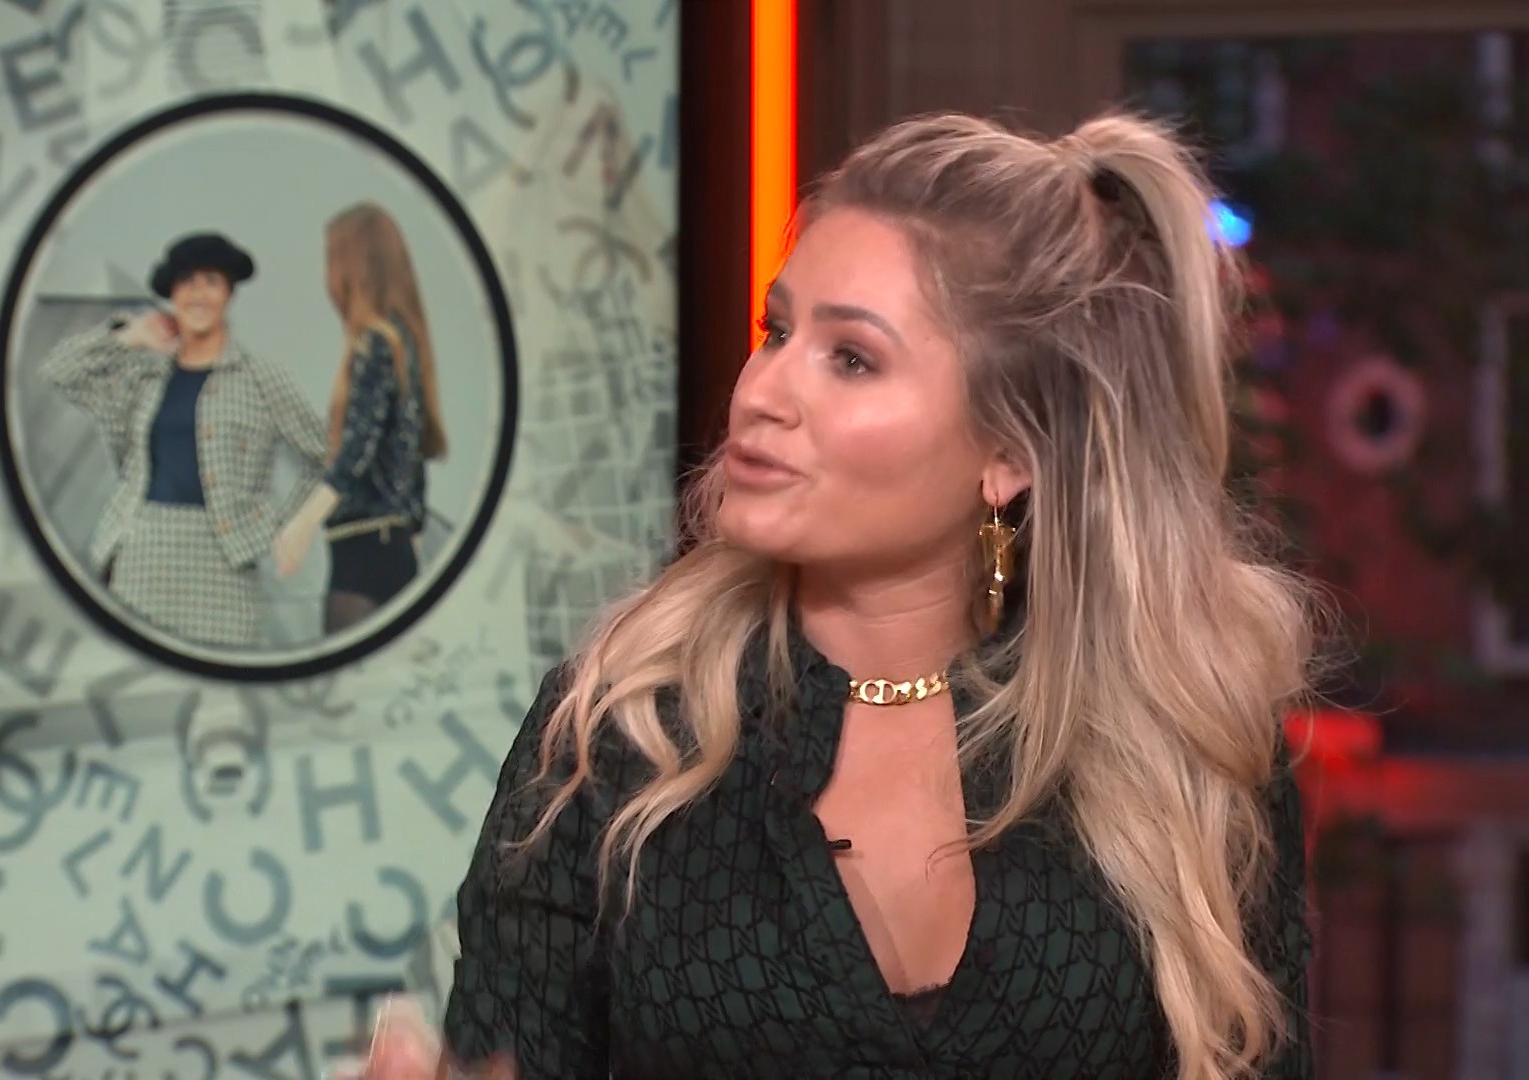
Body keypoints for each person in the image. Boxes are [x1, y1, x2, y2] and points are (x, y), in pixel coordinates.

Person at [367, 111, 1318, 1079]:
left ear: (1009, 454)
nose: (760, 393)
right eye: (776, 332)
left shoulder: (1179, 753)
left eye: (852, 359)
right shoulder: (619, 732)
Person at [40, 231, 328, 648]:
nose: (198, 294)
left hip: (223, 561)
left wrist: (288, 525)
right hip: (142, 550)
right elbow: (58, 371)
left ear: (229, 294)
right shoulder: (144, 376)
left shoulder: (261, 378)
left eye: (211, 281)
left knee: (222, 681)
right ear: (172, 293)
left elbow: (325, 456)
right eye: (187, 281)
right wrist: (129, 336)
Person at [273, 202, 448, 635]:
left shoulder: (375, 344)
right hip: (394, 550)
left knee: (345, 673)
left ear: (352, 268)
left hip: (363, 554)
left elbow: (357, 450)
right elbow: (410, 452)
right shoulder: (405, 343)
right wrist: (413, 532)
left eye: (332, 260)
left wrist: (302, 524)